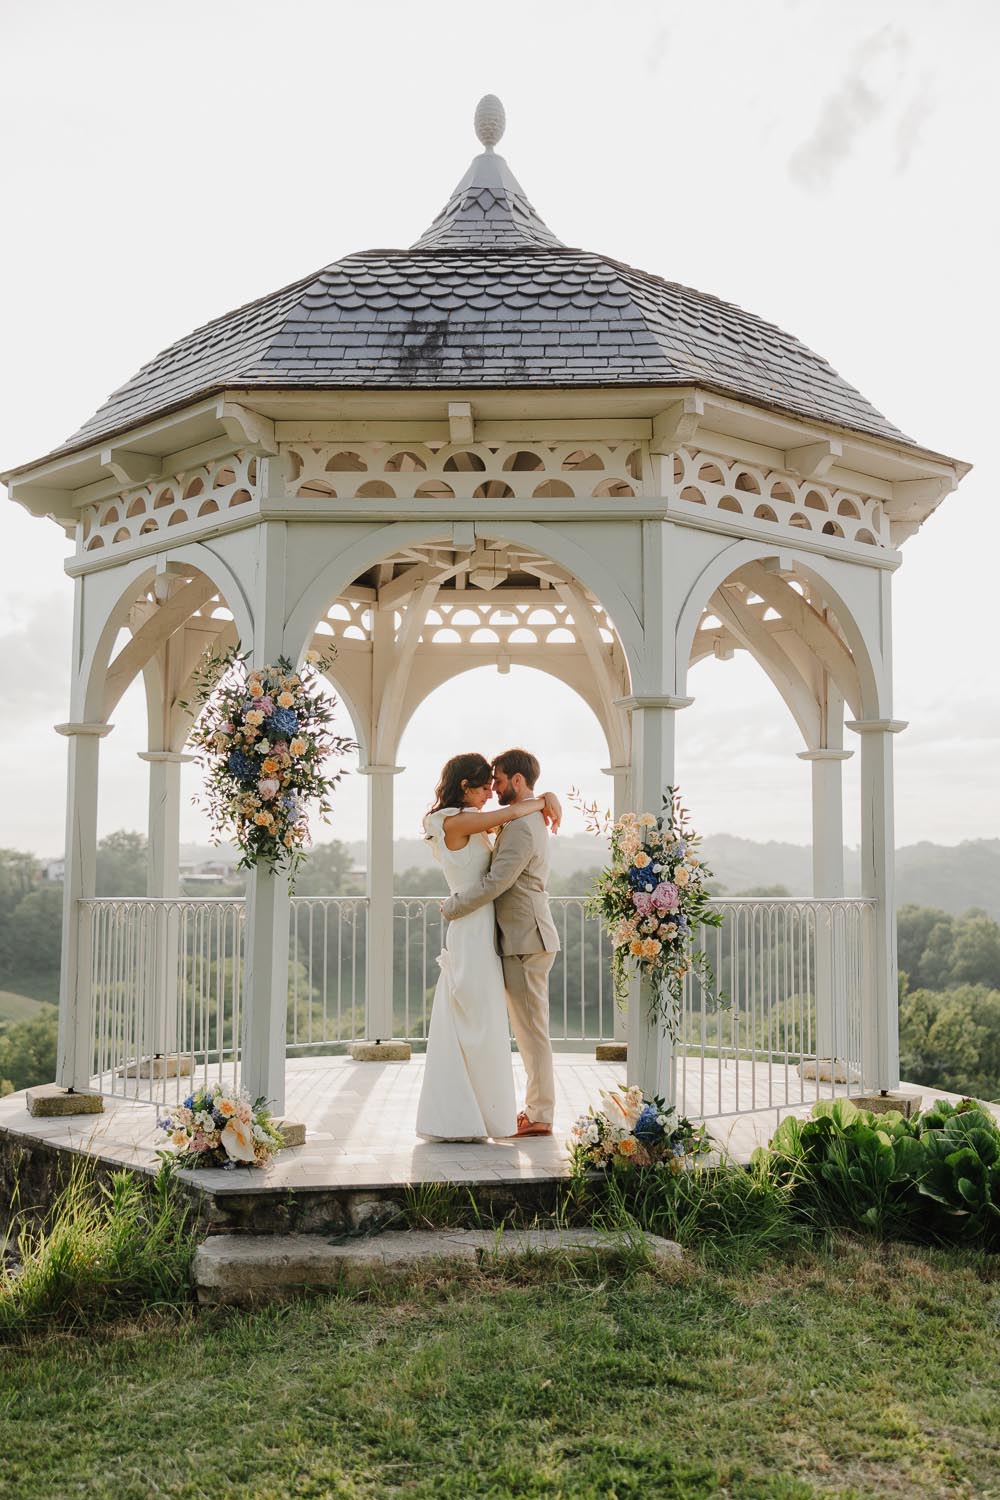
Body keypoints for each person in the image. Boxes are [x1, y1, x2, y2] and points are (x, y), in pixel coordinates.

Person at [416, 752, 560, 1141]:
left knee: (525, 1031)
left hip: (518, 934)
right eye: (485, 784)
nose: (491, 790)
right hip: (489, 933)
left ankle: (538, 1113)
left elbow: (497, 881)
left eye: (496, 782)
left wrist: (453, 907)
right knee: (482, 1019)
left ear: (515, 780)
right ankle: (483, 1108)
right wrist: (544, 798)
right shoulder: (473, 820)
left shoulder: (518, 824)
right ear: (465, 786)